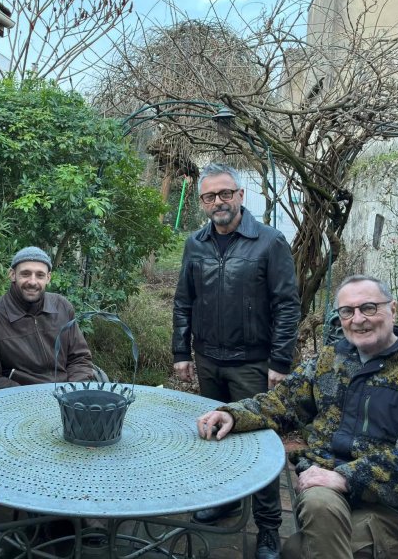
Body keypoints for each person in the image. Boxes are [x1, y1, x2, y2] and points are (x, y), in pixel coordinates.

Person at [197, 275, 398, 559]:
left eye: (369, 308)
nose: (358, 319)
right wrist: (234, 414)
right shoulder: (333, 357)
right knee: (296, 546)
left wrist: (345, 477)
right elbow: (284, 401)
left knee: (311, 516)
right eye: (347, 311)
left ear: (392, 309)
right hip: (334, 493)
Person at [173, 163, 300, 559]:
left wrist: (280, 361)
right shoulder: (195, 244)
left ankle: (268, 528)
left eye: (225, 193)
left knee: (258, 445)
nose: (219, 202)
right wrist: (181, 352)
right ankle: (224, 501)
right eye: (210, 196)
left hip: (252, 363)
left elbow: (287, 305)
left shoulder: (270, 242)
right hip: (208, 359)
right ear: (202, 202)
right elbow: (183, 301)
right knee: (213, 434)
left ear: (241, 195)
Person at [0, 246, 94, 392]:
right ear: (12, 275)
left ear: (48, 278)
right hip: (20, 399)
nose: (32, 281)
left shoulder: (62, 307)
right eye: (25, 274)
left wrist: (73, 391)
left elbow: (80, 358)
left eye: (40, 275)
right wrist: (30, 397)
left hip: (66, 395)